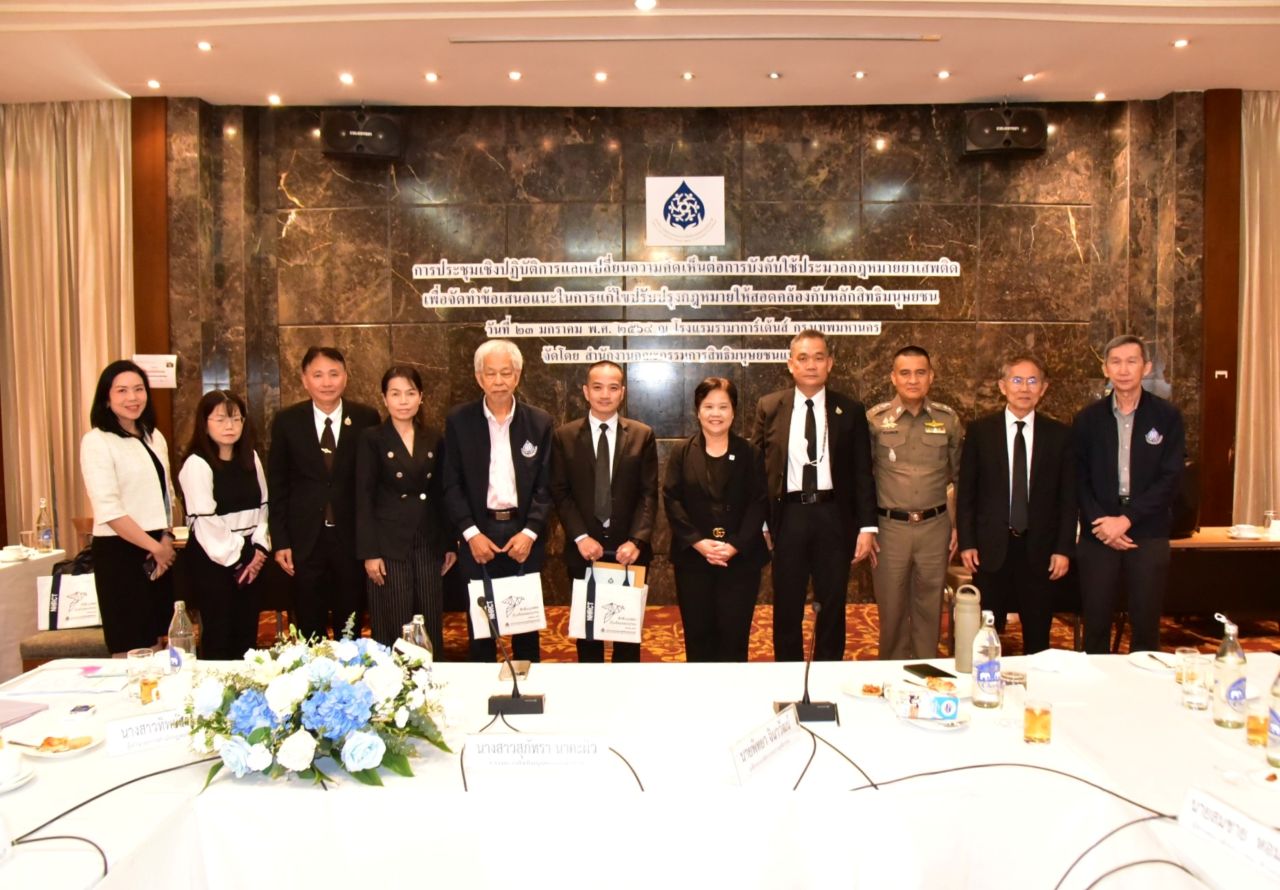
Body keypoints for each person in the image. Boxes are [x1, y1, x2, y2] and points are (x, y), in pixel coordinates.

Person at [751, 329, 877, 662]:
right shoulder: (770, 406)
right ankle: (788, 673)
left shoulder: (849, 410)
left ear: (830, 364)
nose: (811, 365)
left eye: (819, 358)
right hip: (788, 517)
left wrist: (867, 527)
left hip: (833, 516)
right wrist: (761, 523)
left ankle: (828, 674)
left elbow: (863, 471)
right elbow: (757, 471)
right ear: (790, 364)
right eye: (803, 358)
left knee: (833, 604)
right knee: (786, 605)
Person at [442, 339, 553, 663]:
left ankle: (528, 689)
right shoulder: (459, 421)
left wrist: (530, 533)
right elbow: (451, 484)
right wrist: (471, 533)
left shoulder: (539, 422)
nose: (499, 381)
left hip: (523, 533)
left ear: (518, 375)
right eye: (491, 373)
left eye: (506, 372)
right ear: (479, 377)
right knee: (482, 629)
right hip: (480, 532)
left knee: (525, 628)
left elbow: (546, 485)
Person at [1073, 335, 1185, 654]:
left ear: (1146, 367)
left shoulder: (1167, 417)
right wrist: (1101, 522)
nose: (1123, 370)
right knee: (1096, 623)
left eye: (1131, 361)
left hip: (1147, 531)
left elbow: (1171, 478)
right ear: (1105, 368)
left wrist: (1127, 520)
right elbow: (1078, 478)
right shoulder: (1087, 419)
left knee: (1146, 624)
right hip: (1099, 533)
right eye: (1116, 362)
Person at [957, 356, 1075, 654]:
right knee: (985, 637)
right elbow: (967, 493)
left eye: (1032, 381)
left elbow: (1067, 498)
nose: (1025, 388)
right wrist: (967, 542)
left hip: (1040, 552)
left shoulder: (1059, 435)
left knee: (1038, 638)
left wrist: (1063, 548)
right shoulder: (981, 432)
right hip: (990, 550)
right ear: (1002, 386)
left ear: (1043, 388)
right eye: (1017, 380)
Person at [267, 347, 379, 640]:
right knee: (308, 625)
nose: (327, 382)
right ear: (304, 380)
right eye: (318, 375)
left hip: (350, 539)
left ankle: (350, 669)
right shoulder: (287, 421)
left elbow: (373, 484)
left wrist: (372, 542)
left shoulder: (366, 418)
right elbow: (277, 485)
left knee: (350, 624)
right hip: (304, 540)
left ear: (345, 377)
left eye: (333, 374)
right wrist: (280, 540)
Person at [551, 360, 658, 663]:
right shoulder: (564, 436)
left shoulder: (642, 435)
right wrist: (580, 537)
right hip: (584, 550)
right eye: (597, 387)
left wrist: (636, 541)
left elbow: (648, 494)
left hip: (629, 552)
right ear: (586, 391)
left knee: (626, 638)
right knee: (588, 636)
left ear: (622, 392)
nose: (605, 394)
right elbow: (560, 493)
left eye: (613, 388)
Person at [662, 377, 769, 662]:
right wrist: (698, 542)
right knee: (698, 637)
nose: (716, 413)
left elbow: (758, 503)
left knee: (735, 638)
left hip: (740, 561)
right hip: (694, 560)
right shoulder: (682, 452)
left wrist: (735, 545)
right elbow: (672, 500)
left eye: (723, 406)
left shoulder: (750, 453)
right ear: (697, 411)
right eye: (708, 406)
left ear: (734, 411)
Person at [867, 345, 963, 660]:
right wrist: (866, 529)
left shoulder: (948, 419)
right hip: (889, 530)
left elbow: (961, 477)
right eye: (905, 373)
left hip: (935, 528)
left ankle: (926, 672)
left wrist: (957, 525)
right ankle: (891, 675)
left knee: (929, 609)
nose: (912, 380)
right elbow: (862, 479)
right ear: (893, 377)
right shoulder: (875, 420)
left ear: (931, 376)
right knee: (891, 611)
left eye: (920, 373)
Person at [356, 366, 456, 651]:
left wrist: (449, 543)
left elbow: (440, 494)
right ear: (384, 398)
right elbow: (363, 496)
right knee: (394, 620)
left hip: (428, 540)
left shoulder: (433, 437)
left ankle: (432, 673)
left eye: (410, 393)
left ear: (421, 397)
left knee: (429, 619)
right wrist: (370, 553)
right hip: (389, 544)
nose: (403, 401)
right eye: (395, 394)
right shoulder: (372, 438)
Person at [80, 360, 177, 653]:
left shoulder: (154, 436)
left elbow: (166, 494)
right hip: (121, 552)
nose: (132, 397)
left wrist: (166, 538)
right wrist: (155, 547)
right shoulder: (97, 441)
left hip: (158, 549)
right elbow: (108, 509)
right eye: (122, 391)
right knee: (131, 646)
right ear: (106, 398)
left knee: (158, 640)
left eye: (138, 389)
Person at [177, 390, 270, 659]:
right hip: (214, 561)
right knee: (219, 634)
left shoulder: (250, 457)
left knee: (247, 635)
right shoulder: (197, 463)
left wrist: (259, 549)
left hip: (251, 558)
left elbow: (264, 506)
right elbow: (206, 521)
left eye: (235, 419)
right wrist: (243, 555)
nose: (229, 426)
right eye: (220, 419)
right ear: (204, 423)